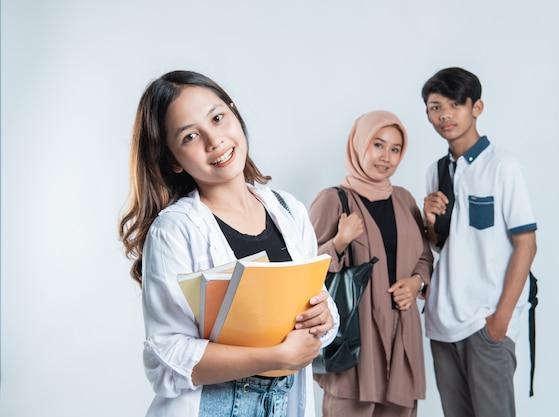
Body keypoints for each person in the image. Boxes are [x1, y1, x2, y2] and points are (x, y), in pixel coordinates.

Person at [118, 70, 339, 417]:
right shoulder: (174, 229)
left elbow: (319, 306)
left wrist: (324, 318)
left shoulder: (288, 209)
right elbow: (165, 358)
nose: (214, 141)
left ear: (234, 112)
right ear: (172, 159)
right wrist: (274, 357)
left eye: (218, 118)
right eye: (190, 136)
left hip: (284, 404)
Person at [421, 67, 538, 417]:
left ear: (477, 107)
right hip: (443, 323)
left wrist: (501, 319)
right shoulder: (436, 171)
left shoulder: (503, 166)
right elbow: (444, 246)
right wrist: (429, 221)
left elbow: (527, 244)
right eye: (434, 107)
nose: (444, 114)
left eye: (455, 104)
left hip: (486, 321)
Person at [309, 110, 434, 417]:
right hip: (356, 334)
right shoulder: (334, 200)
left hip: (401, 332)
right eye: (378, 145)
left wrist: (416, 282)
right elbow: (302, 269)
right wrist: (338, 242)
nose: (386, 157)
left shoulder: (405, 200)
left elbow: (422, 255)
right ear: (359, 144)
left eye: (395, 149)